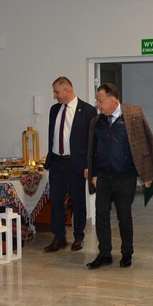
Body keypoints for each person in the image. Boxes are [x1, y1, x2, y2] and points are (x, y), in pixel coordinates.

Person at [86, 83, 153, 269]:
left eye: (100, 101)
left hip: (125, 177)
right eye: (97, 101)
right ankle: (104, 254)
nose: (97, 104)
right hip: (103, 177)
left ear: (113, 100)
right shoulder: (96, 121)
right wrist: (93, 173)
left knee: (124, 216)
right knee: (101, 215)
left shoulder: (133, 115)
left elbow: (146, 141)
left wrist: (148, 173)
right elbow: (92, 150)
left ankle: (127, 253)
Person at [43, 77, 96, 252]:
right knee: (56, 201)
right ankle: (59, 237)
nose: (55, 95)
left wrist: (89, 165)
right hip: (57, 162)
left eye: (57, 92)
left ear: (67, 90)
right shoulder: (54, 110)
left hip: (76, 163)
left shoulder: (87, 110)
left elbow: (92, 141)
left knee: (78, 201)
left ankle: (78, 237)